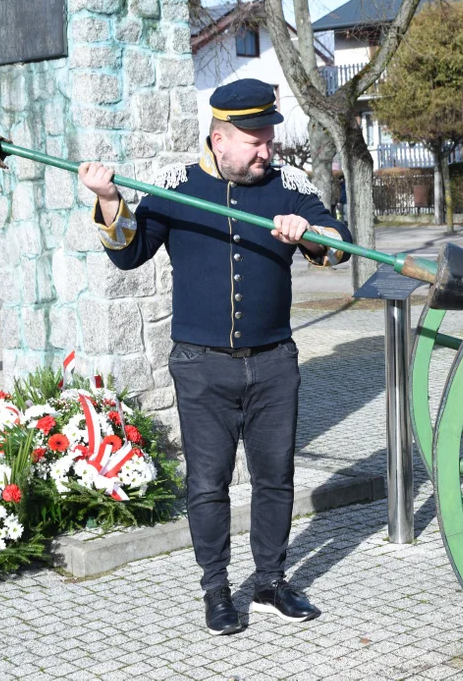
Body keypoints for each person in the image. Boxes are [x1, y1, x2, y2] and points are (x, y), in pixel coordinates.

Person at [78, 78, 352, 636]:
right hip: (201, 365)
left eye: (269, 139)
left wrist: (311, 232)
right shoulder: (175, 186)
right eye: (254, 142)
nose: (265, 152)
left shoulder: (287, 183)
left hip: (274, 359)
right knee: (208, 482)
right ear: (219, 139)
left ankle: (271, 581)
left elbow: (338, 239)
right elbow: (129, 254)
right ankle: (216, 589)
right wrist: (110, 202)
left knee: (275, 477)